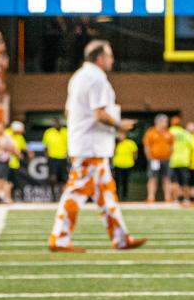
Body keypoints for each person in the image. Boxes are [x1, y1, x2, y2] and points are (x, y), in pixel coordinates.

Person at [48, 41, 147, 253]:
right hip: (91, 146)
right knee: (75, 192)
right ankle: (60, 238)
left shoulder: (78, 77)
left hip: (87, 144)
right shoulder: (96, 79)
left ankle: (120, 238)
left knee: (107, 194)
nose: (112, 60)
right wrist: (120, 125)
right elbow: (99, 113)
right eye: (109, 56)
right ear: (100, 58)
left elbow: (69, 112)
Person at [142, 114, 173, 202]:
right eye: (163, 121)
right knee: (152, 178)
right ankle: (151, 197)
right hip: (154, 159)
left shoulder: (169, 133)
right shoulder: (151, 132)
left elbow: (172, 146)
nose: (165, 124)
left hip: (166, 159)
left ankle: (168, 198)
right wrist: (150, 158)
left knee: (167, 178)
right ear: (157, 122)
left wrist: (170, 156)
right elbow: (147, 146)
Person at [42, 117, 69, 200]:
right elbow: (45, 147)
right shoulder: (48, 132)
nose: (56, 125)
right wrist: (47, 157)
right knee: (53, 178)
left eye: (58, 123)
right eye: (54, 123)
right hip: (53, 158)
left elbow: (70, 144)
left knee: (64, 179)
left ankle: (63, 196)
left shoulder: (65, 131)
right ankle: (53, 195)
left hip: (63, 158)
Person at [111, 131, 137, 201]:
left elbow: (135, 153)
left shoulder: (130, 143)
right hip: (117, 165)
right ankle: (116, 196)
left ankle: (124, 196)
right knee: (116, 181)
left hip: (128, 165)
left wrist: (133, 160)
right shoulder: (114, 143)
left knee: (125, 181)